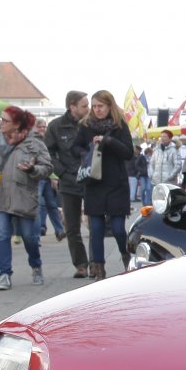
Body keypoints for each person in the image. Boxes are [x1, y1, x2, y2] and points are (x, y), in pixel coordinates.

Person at [0, 106, 53, 290]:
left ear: (17, 124)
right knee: (2, 235)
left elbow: (47, 167)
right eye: (1, 119)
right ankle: (4, 274)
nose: (1, 123)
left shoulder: (34, 143)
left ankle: (36, 266)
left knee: (29, 237)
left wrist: (32, 169)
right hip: (0, 196)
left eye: (5, 120)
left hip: (24, 196)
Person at [70, 90, 135, 278]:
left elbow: (128, 153)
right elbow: (74, 147)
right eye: (94, 106)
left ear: (109, 106)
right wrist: (87, 153)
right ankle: (99, 268)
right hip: (94, 183)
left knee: (118, 229)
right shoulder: (86, 125)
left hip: (116, 183)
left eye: (101, 106)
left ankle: (126, 255)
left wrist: (108, 140)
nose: (97, 110)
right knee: (96, 230)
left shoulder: (119, 125)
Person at [45, 90, 91, 279]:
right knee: (72, 227)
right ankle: (81, 265)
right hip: (68, 180)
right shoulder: (56, 126)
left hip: (91, 180)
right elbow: (48, 152)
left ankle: (96, 263)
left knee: (95, 224)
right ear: (72, 107)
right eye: (84, 105)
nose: (88, 109)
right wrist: (62, 172)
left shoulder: (91, 124)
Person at [31, 117, 65, 240]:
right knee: (38, 204)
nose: (42, 129)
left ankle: (59, 230)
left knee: (51, 204)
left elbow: (51, 160)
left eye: (44, 127)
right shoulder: (32, 140)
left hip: (47, 176)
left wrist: (53, 177)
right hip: (37, 176)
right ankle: (38, 231)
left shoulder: (47, 140)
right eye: (39, 127)